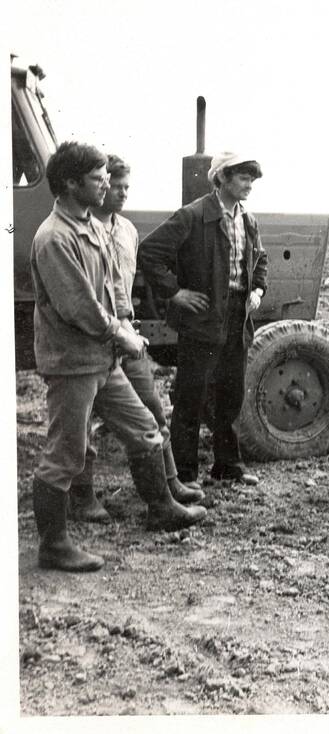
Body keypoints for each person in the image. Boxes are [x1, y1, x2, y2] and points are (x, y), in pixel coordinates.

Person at [30, 142, 206, 572]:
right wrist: (122, 335)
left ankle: (162, 508)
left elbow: (111, 289)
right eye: (97, 177)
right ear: (71, 183)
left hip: (102, 360)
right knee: (66, 453)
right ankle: (53, 545)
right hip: (74, 362)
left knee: (145, 427)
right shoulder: (55, 238)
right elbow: (80, 307)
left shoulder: (90, 225)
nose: (107, 184)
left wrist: (119, 333)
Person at [68, 155, 205, 523]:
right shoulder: (80, 231)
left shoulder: (127, 231)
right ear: (99, 186)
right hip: (89, 337)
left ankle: (170, 483)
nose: (122, 193)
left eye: (127, 187)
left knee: (153, 410)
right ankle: (81, 498)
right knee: (81, 426)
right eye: (115, 186)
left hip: (126, 333)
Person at [139, 152, 267, 487]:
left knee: (231, 394)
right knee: (191, 397)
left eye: (252, 178)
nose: (249, 184)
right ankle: (185, 473)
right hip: (202, 319)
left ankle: (228, 465)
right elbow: (150, 253)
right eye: (242, 177)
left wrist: (258, 291)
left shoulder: (248, 220)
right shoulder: (194, 215)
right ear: (222, 178)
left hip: (238, 317)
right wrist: (175, 293)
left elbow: (260, 259)